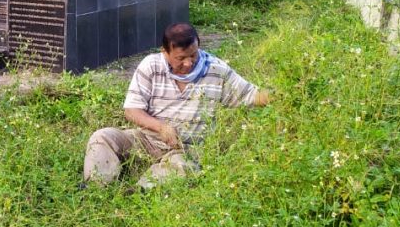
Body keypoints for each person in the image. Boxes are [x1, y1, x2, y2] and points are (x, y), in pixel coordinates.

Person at [84, 23, 271, 189]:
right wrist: (161, 127)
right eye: (181, 58)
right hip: (146, 140)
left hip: (186, 149)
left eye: (193, 55)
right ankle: (97, 187)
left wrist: (287, 91)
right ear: (165, 52)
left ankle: (139, 192)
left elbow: (251, 95)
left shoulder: (216, 69)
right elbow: (132, 111)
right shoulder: (151, 65)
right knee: (103, 137)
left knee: (182, 167)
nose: (189, 63)